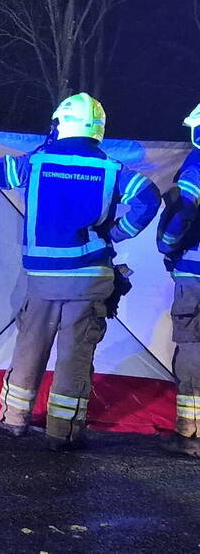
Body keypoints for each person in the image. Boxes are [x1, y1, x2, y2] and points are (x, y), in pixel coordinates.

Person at [0, 93, 160, 451]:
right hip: (89, 280)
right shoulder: (112, 169)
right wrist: (117, 232)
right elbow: (148, 199)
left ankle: (14, 419)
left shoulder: (37, 162)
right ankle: (63, 432)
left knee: (30, 347)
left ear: (61, 124)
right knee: (74, 357)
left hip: (42, 280)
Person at [156, 103, 200, 457]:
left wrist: (168, 244)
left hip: (195, 273)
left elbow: (184, 209)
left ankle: (191, 432)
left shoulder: (197, 164)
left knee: (192, 346)